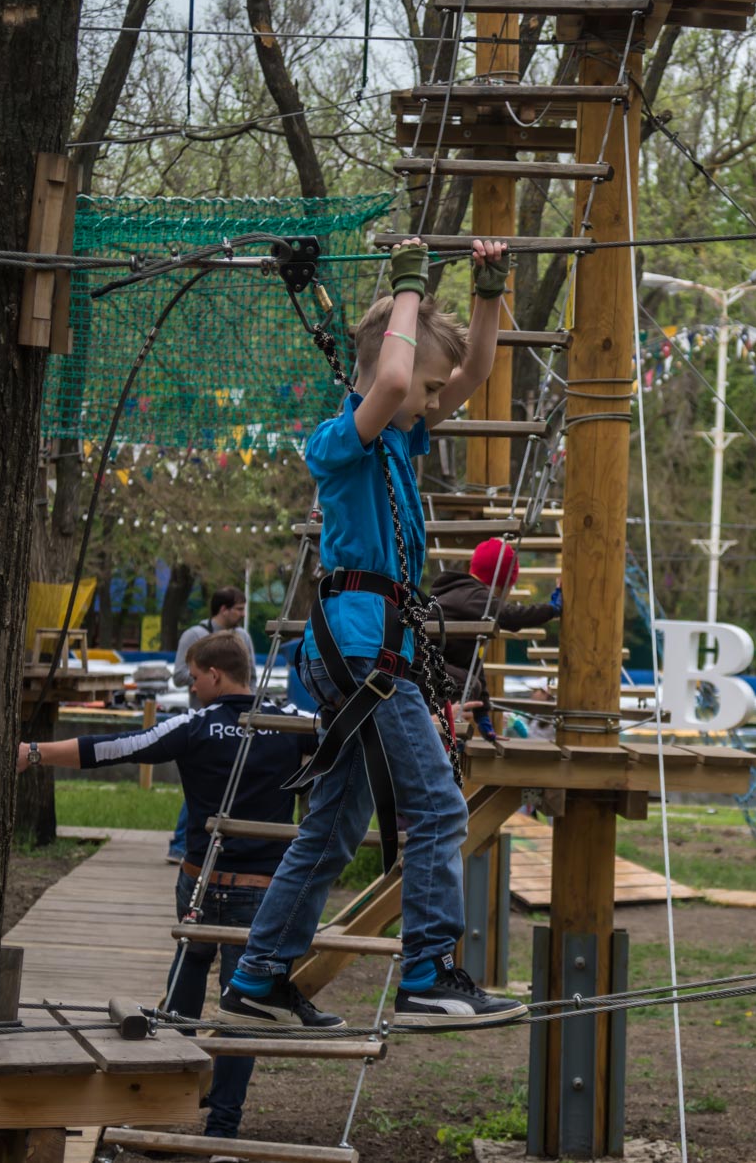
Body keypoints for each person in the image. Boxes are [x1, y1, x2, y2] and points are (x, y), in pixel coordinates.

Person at [217, 238, 526, 1029]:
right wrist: (409, 285)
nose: (427, 401)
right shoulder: (342, 441)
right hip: (358, 651)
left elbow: (474, 376)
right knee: (440, 808)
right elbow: (393, 376)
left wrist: (488, 289)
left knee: (332, 828)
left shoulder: (397, 436)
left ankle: (256, 979)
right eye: (422, 386)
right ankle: (426, 970)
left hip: (370, 653)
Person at [16, 633, 310, 1146]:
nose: (192, 689)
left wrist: (34, 752)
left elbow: (110, 748)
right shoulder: (291, 724)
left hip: (200, 883)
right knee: (242, 1005)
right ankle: (222, 1132)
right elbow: (353, 744)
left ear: (215, 675)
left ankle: (163, 1102)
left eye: (195, 678)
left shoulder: (195, 725)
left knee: (188, 978)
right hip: (261, 890)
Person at [429, 538, 560, 742]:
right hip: (425, 669)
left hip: (430, 669)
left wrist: (484, 721)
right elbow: (511, 616)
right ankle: (443, 735)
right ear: (504, 584)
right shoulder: (475, 596)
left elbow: (475, 666)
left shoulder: (462, 597)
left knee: (470, 684)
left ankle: (445, 733)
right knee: (466, 685)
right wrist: (553, 609)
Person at [167, 586, 257, 863]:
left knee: (225, 780)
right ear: (223, 609)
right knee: (203, 781)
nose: (243, 615)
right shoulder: (195, 635)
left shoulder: (242, 637)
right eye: (239, 609)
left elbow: (249, 674)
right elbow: (180, 675)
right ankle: (181, 843)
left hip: (238, 717)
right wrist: (207, 675)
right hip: (205, 717)